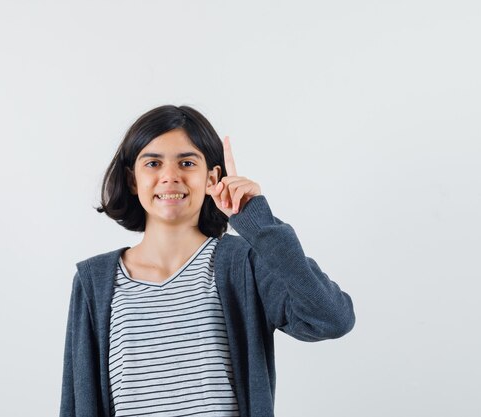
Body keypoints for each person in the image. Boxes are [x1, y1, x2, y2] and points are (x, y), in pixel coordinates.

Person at [59, 105, 355, 417]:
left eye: (187, 162)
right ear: (133, 179)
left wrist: (257, 221)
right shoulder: (95, 282)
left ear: (212, 176)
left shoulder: (243, 263)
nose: (170, 177)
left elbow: (332, 319)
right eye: (153, 163)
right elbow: (77, 403)